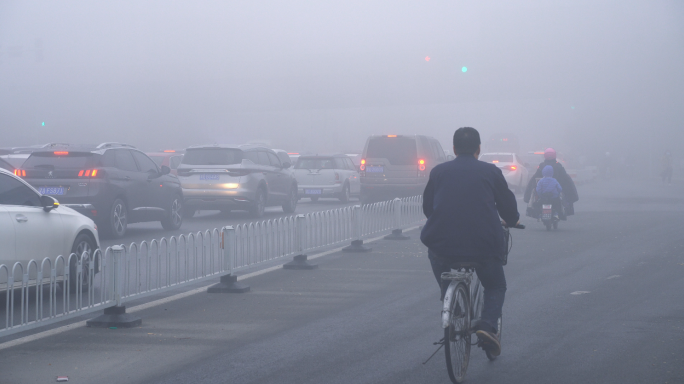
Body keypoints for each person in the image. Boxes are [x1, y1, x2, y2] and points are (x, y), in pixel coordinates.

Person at [421, 127, 519, 357]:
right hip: (483, 245)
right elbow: (508, 208)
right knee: (495, 285)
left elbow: (428, 209)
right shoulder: (490, 171)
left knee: (438, 259)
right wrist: (512, 220)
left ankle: (453, 305)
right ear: (479, 148)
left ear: (454, 149)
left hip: (443, 244)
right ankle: (487, 326)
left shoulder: (438, 172)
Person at [524, 147, 578, 216]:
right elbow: (565, 178)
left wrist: (529, 194)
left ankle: (530, 209)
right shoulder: (558, 165)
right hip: (556, 193)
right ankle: (566, 208)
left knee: (533, 194)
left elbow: (536, 177)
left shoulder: (542, 165)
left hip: (542, 193)